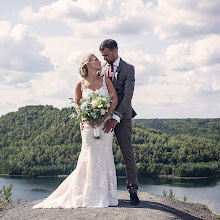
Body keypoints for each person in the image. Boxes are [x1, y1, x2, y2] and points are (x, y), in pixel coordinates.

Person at [33, 53, 119, 208]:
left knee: (105, 154)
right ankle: (86, 193)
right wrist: (84, 118)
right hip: (88, 126)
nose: (99, 61)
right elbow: (78, 105)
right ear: (87, 64)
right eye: (95, 60)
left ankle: (105, 194)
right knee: (89, 156)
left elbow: (114, 100)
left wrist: (105, 116)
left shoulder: (106, 80)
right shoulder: (80, 84)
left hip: (105, 125)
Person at [99, 39, 140, 205]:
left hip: (122, 117)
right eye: (102, 56)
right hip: (103, 117)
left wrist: (116, 117)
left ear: (115, 51)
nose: (104, 58)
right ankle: (103, 190)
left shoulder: (129, 69)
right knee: (102, 153)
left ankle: (133, 191)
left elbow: (128, 96)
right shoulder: (102, 69)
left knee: (127, 153)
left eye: (106, 55)